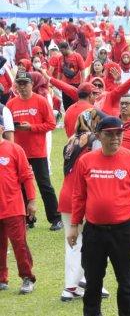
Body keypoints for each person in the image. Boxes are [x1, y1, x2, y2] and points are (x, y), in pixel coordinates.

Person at [68, 116, 130, 316]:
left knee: (126, 282)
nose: (115, 138)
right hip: (94, 232)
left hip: (124, 231)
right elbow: (79, 195)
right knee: (93, 282)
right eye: (109, 134)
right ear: (98, 135)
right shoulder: (86, 161)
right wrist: (74, 224)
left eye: (119, 133)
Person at [58, 108, 110, 302]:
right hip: (82, 197)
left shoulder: (71, 140)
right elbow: (97, 169)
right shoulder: (94, 140)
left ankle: (81, 283)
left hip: (66, 195)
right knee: (88, 242)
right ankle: (73, 285)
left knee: (73, 242)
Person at [6, 71, 61, 230]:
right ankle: (29, 219)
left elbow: (51, 124)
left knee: (44, 185)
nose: (22, 87)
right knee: (21, 186)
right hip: (19, 153)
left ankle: (55, 218)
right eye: (19, 84)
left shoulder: (41, 101)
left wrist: (31, 127)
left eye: (25, 83)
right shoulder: (11, 104)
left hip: (37, 152)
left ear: (32, 84)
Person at [0, 118, 37, 294]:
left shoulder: (14, 149)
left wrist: (31, 200)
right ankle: (2, 278)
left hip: (13, 207)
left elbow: (27, 177)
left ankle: (27, 278)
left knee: (19, 244)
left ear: (1, 128)